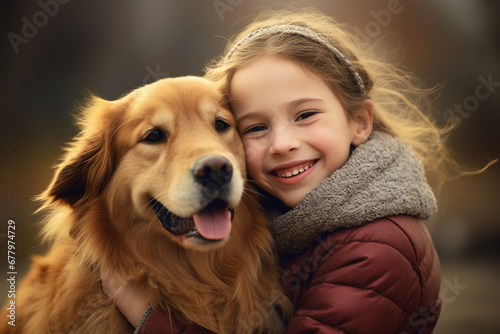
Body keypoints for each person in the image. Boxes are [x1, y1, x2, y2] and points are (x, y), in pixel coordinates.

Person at [103, 8, 451, 333]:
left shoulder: (379, 251)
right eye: (255, 128)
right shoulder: (286, 219)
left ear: (359, 121)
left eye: (305, 115)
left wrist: (147, 316)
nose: (283, 143)